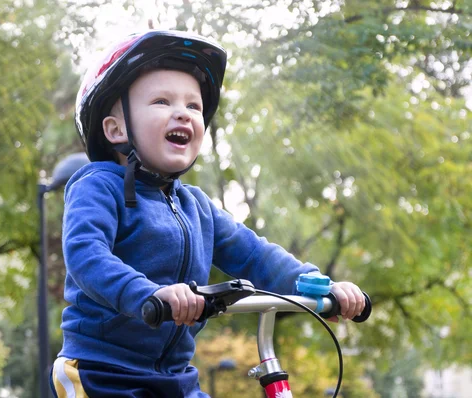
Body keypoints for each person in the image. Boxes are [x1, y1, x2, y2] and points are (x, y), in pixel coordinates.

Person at [51, 30, 365, 398]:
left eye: (194, 106)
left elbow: (255, 254)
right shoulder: (97, 186)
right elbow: (87, 256)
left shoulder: (196, 206)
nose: (182, 113)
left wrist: (321, 288)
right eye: (162, 101)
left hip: (175, 377)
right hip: (104, 374)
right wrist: (148, 294)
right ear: (116, 129)